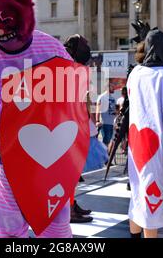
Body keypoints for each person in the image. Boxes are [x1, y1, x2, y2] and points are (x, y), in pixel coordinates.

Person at [0, 0, 74, 238]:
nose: (2, 37)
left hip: (52, 159)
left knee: (55, 229)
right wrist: (22, 109)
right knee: (9, 231)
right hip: (8, 161)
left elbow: (75, 95)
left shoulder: (51, 46)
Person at [127, 30, 163, 239]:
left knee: (137, 194)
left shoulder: (135, 74)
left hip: (136, 144)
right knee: (152, 196)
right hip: (158, 145)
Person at [64, 34, 97, 224]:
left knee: (73, 174)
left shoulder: (75, 69)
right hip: (68, 128)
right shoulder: (70, 70)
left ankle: (71, 204)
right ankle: (67, 209)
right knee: (70, 173)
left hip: (73, 127)